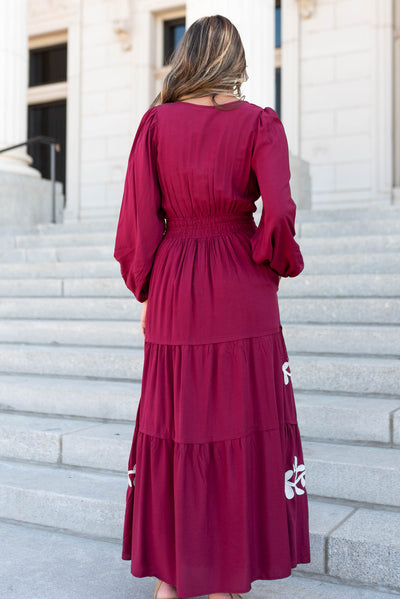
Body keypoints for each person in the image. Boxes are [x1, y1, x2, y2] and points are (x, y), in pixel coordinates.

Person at [114, 14, 310, 599]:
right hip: (239, 282)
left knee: (177, 423)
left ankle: (174, 580)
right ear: (236, 61)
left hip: (176, 279)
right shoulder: (259, 124)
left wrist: (147, 288)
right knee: (238, 423)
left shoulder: (155, 125)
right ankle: (225, 578)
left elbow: (137, 222)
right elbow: (276, 212)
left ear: (189, 57)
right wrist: (276, 263)